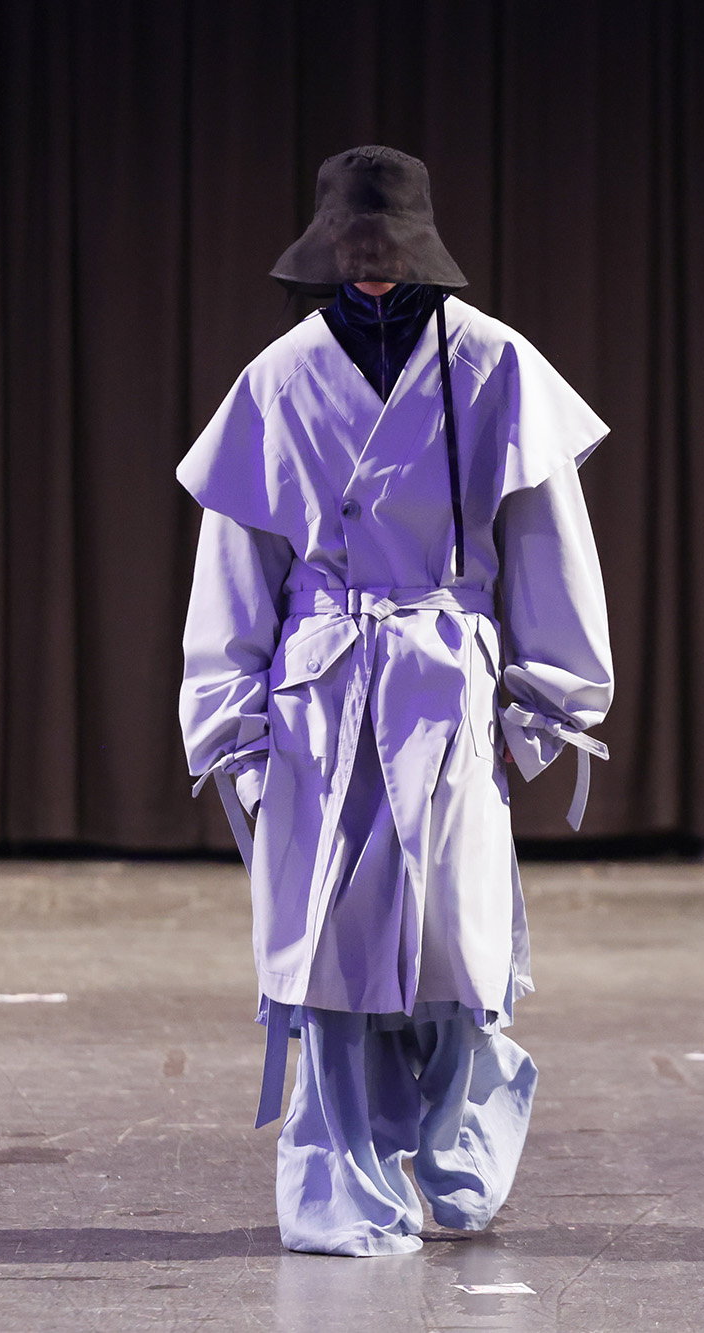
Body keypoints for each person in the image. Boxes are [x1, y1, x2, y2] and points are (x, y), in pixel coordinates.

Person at [177, 145, 613, 1257]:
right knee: (331, 950)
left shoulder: (494, 364)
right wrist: (233, 731)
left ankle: (460, 1141)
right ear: (325, 251)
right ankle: (339, 1184)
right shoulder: (278, 380)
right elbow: (235, 565)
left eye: (391, 253)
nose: (374, 274)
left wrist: (542, 710)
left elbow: (547, 545)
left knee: (452, 942)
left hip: (443, 685)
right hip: (321, 699)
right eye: (355, 254)